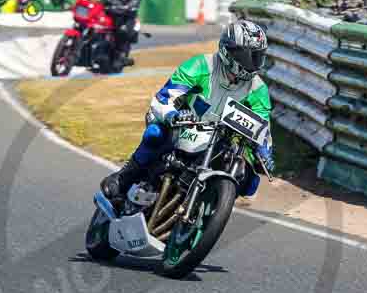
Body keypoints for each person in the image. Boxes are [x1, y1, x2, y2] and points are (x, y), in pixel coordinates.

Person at [100, 19, 274, 203]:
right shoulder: (201, 65)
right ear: (230, 52)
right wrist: (171, 115)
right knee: (155, 134)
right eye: (250, 57)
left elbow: (262, 127)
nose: (254, 63)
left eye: (258, 57)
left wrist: (264, 151)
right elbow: (164, 97)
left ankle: (211, 207)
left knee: (250, 182)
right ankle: (124, 177)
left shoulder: (258, 89)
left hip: (220, 139)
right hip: (183, 123)